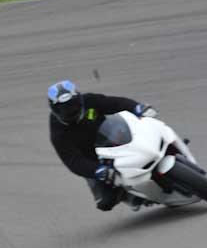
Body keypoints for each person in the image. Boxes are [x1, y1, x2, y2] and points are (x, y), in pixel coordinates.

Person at [48, 80, 158, 211]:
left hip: (114, 139)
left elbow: (115, 103)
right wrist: (96, 170)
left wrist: (136, 107)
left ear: (79, 100)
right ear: (55, 110)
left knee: (147, 130)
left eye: (72, 105)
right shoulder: (57, 132)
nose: (70, 110)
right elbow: (73, 160)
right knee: (105, 202)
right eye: (64, 108)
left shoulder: (89, 101)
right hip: (94, 160)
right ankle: (127, 195)